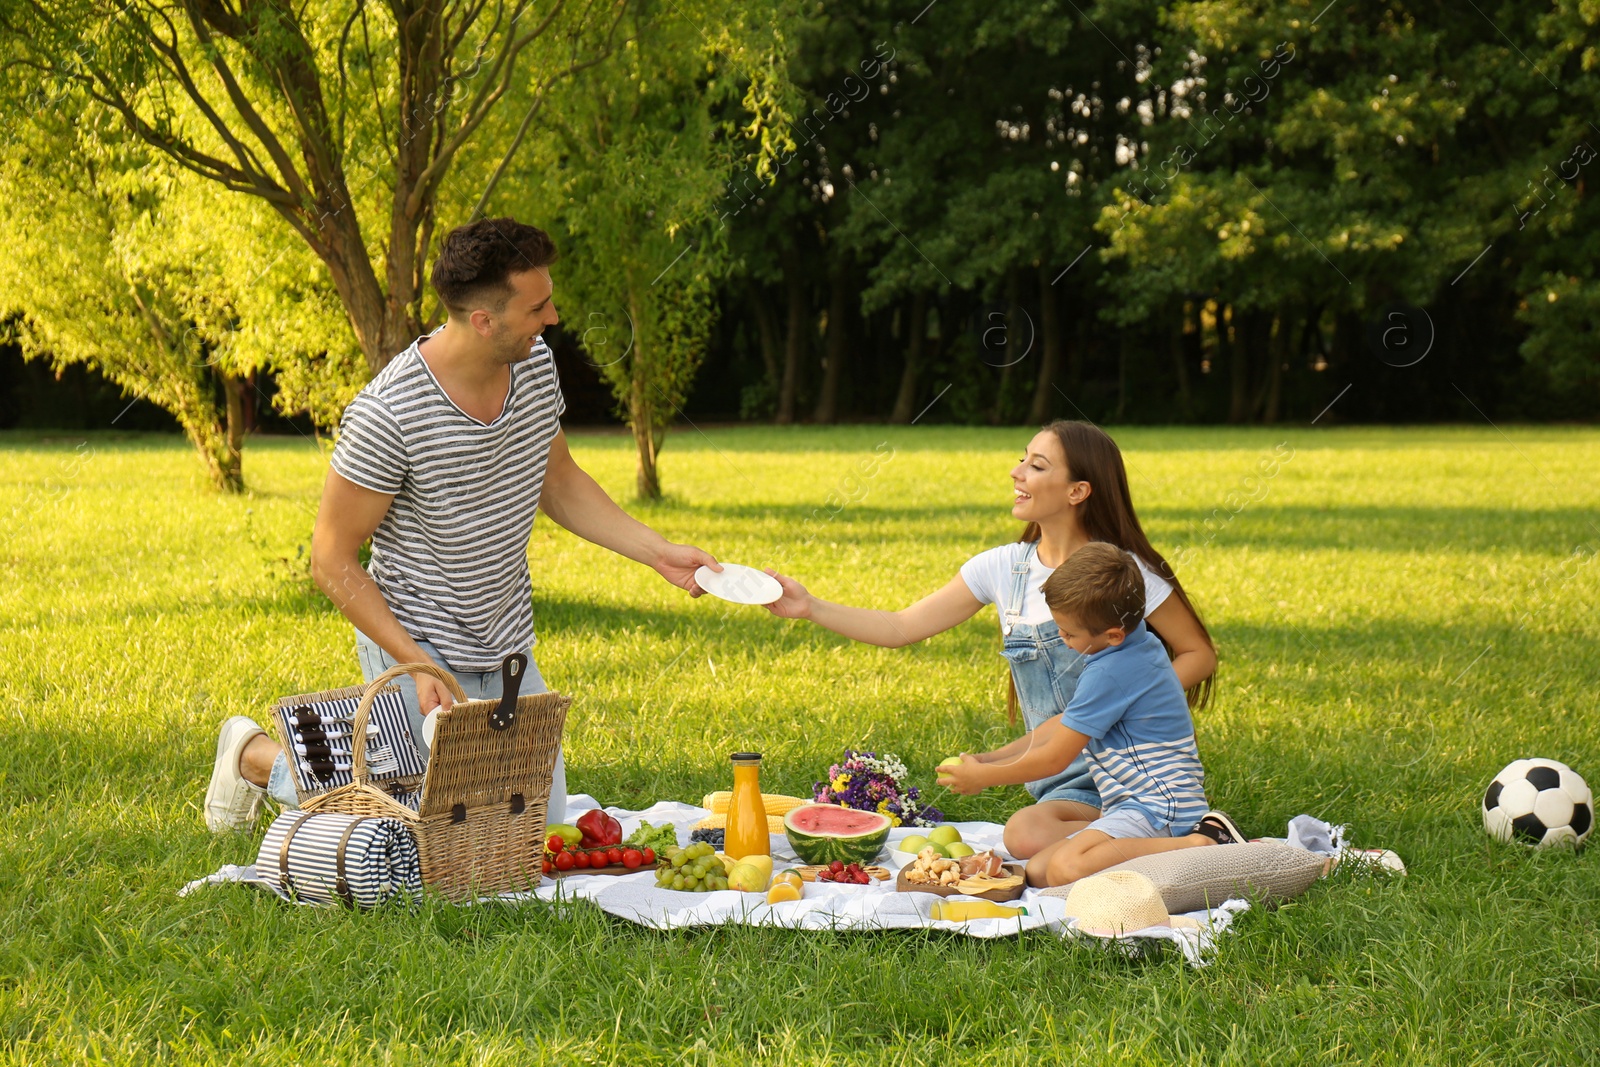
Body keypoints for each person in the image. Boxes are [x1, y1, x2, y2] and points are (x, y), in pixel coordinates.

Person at [204, 217, 720, 833]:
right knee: (426, 832)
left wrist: (656, 552)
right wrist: (417, 663)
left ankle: (334, 768)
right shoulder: (389, 412)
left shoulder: (533, 369)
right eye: (537, 307)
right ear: (483, 321)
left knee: (531, 832)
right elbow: (331, 559)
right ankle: (257, 759)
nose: (553, 317)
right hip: (415, 639)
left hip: (504, 646)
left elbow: (558, 481)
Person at [764, 420, 1216, 859]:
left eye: (1037, 466)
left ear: (1078, 491)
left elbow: (1198, 653)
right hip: (1058, 777)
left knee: (1039, 850)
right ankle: (1138, 844)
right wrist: (810, 607)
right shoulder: (1002, 569)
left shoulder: (1122, 574)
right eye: (1022, 460)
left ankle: (1162, 838)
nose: (1016, 472)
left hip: (1127, 767)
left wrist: (1132, 700)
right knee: (1028, 840)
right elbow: (899, 628)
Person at [936, 542, 1242, 886]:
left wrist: (984, 778)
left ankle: (1200, 843)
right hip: (1132, 802)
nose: (1063, 639)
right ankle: (1132, 842)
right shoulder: (1138, 644)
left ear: (1112, 635)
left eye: (1068, 633)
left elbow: (1055, 758)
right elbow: (1061, 725)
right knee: (1037, 872)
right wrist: (989, 759)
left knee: (1067, 868)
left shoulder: (1110, 672)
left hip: (1159, 808)